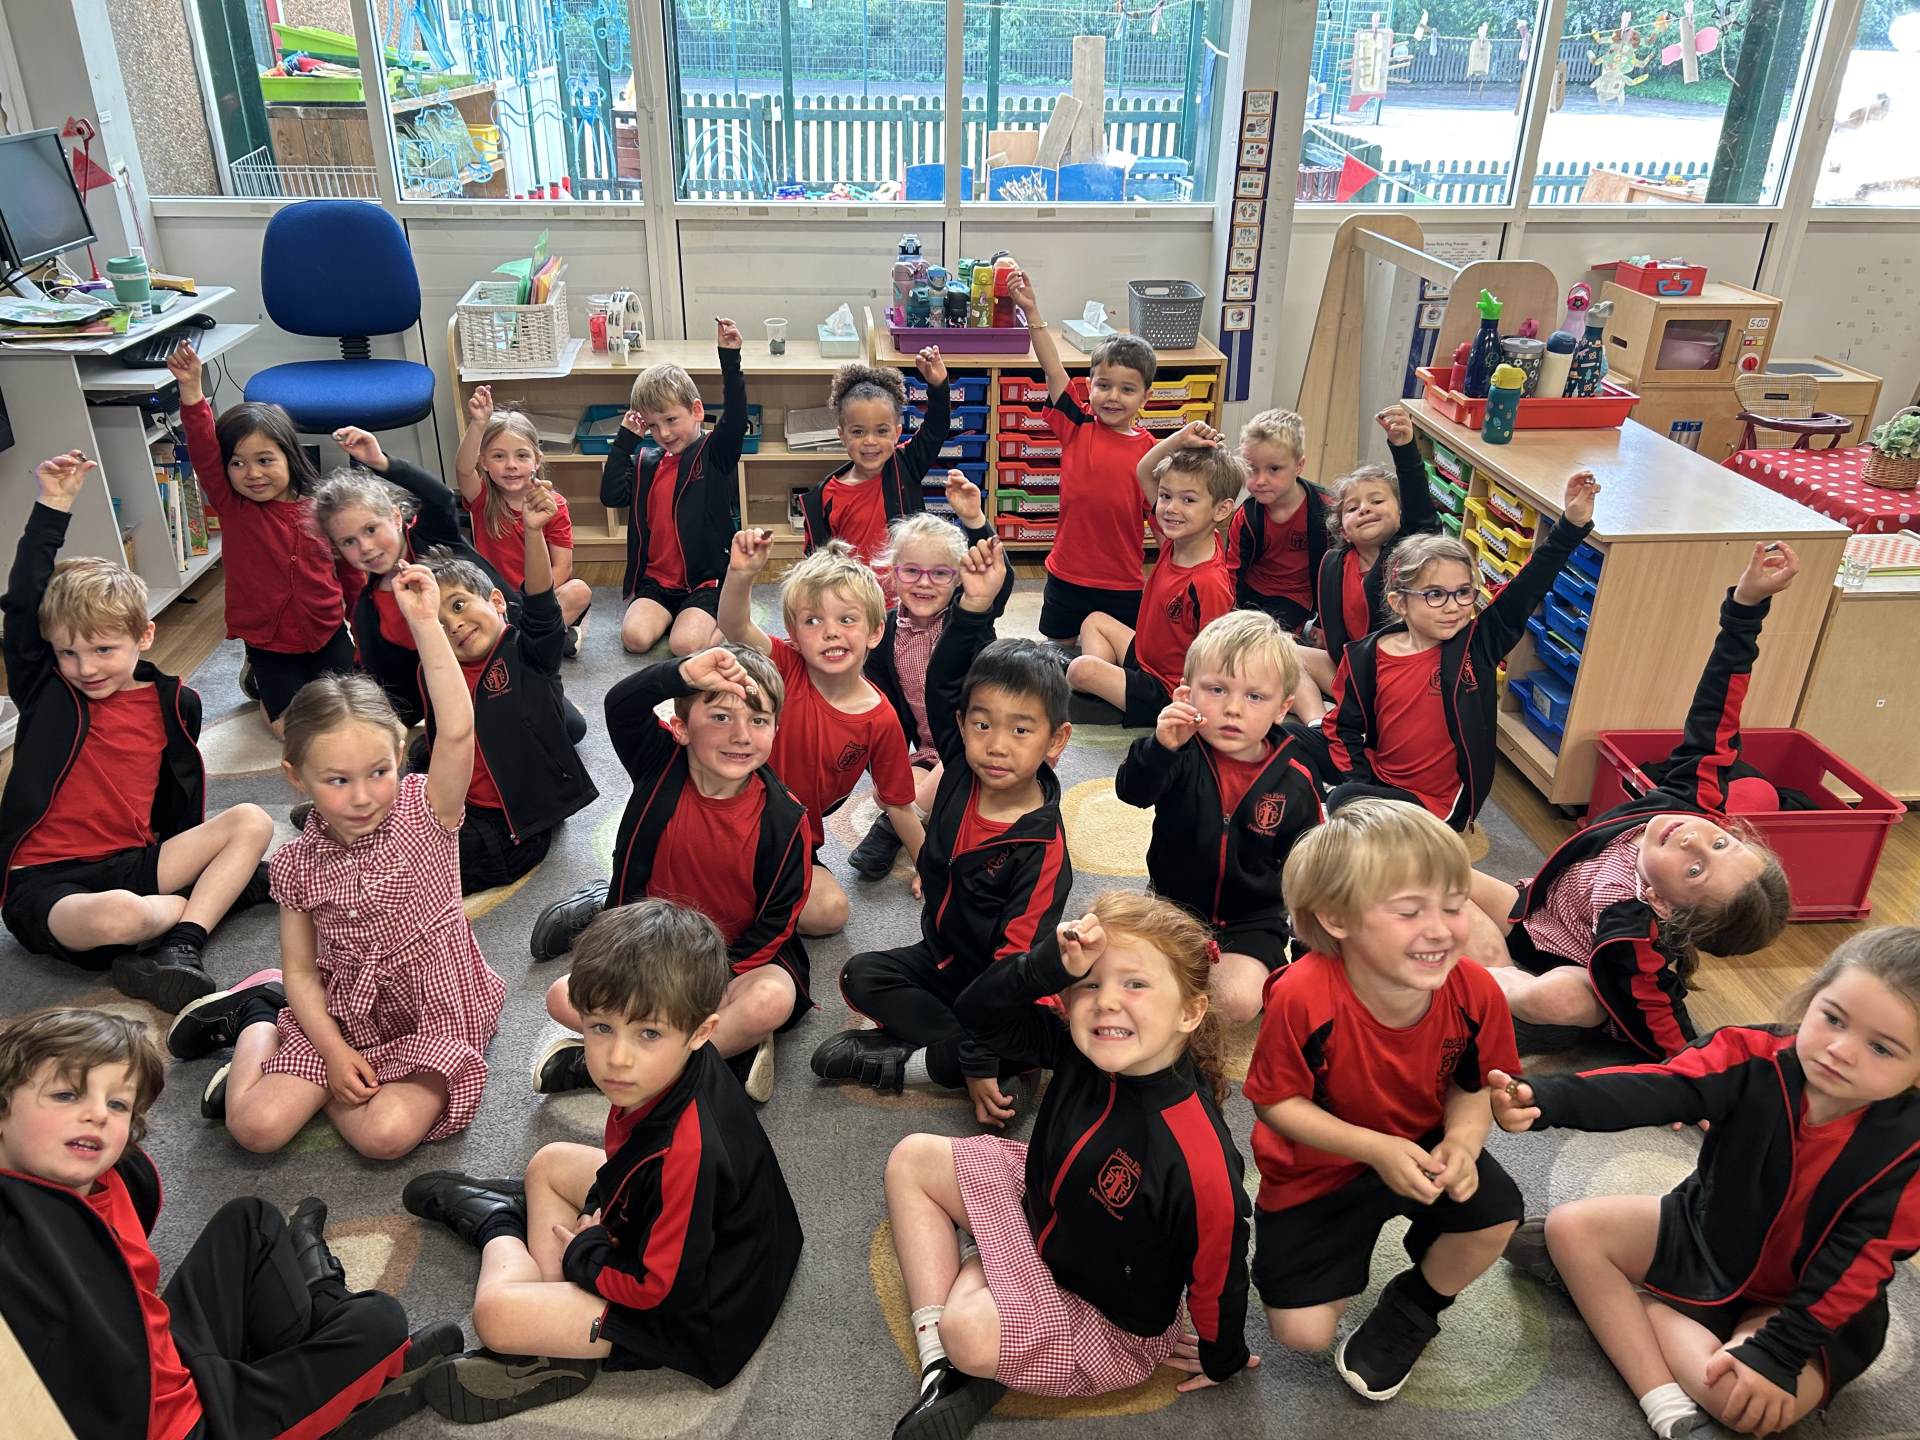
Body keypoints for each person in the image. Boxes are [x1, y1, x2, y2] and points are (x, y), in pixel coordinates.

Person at [1491, 925, 1920, 1440]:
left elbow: (1856, 1265)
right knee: (1570, 1227)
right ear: (1813, 998)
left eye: (1882, 1048)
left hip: (1805, 1301)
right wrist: (1549, 1098)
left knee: (1747, 1406)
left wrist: (1778, 1351)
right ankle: (1663, 1401)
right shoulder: (1751, 1054)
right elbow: (1657, 1088)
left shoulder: (1911, 1150)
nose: (1841, 1050)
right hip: (1703, 1237)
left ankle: (1626, 1298)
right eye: (1833, 1018)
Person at [401, 901, 804, 1422]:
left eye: (648, 1034)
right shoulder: (673, 1069)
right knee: (549, 1163)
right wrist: (599, 1216)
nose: (617, 1058)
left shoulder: (688, 1152)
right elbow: (631, 1163)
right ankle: (554, 1320)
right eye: (600, 1027)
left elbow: (657, 1289)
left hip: (701, 1317)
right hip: (734, 1243)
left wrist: (585, 1254)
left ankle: (498, 1227)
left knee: (495, 1316)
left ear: (702, 1031)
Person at [882, 893, 1254, 1440]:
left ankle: (968, 1325)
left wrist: (1224, 1357)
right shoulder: (1078, 1049)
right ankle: (944, 1368)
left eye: (1135, 984)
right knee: (910, 1157)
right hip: (1037, 1209)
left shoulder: (1198, 1156)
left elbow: (1220, 1269)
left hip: (1097, 1314)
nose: (1107, 1002)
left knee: (967, 1333)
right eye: (1089, 983)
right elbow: (977, 1013)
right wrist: (1044, 965)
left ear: (1190, 1012)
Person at [0, 1006, 462, 1440]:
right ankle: (332, 1335)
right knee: (379, 1323)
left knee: (250, 1221)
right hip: (184, 1427)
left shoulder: (110, 1175)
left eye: (118, 1104)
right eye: (65, 1095)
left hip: (165, 1357)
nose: (98, 1114)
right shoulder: (18, 1228)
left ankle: (314, 1342)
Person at [170, 568, 505, 1159]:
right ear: (297, 779)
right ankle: (258, 1014)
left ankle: (289, 1051)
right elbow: (301, 972)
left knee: (385, 1136)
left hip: (433, 1011)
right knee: (256, 1129)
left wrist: (425, 625)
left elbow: (457, 731)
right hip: (341, 1011)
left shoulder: (426, 809)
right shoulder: (297, 865)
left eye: (378, 772)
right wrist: (331, 1052)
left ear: (399, 755)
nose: (362, 797)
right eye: (337, 780)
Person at [1466, 542, 1796, 1059]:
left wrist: (1702, 1076)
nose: (1693, 841)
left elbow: (1668, 1026)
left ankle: (1497, 989)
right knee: (1431, 862)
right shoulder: (1690, 804)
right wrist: (1746, 608)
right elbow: (1716, 712)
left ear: (1664, 906)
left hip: (1571, 974)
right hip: (1529, 915)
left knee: (1564, 998)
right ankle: (1491, 973)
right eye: (1721, 844)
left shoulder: (1635, 931)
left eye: (1695, 871)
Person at [1246, 798, 1522, 1403]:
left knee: (1496, 1214)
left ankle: (1416, 1302)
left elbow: (1474, 1084)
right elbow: (1276, 1103)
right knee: (1303, 1334)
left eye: (1454, 905)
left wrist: (1463, 1142)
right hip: (1317, 1169)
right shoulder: (1301, 996)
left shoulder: (1476, 991)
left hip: (1422, 1146)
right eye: (1409, 910)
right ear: (1335, 917)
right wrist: (1375, 1149)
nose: (1440, 929)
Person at [1, 451, 273, 1012]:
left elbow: (174, 799)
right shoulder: (48, 692)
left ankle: (182, 944)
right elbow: (23, 602)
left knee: (253, 819)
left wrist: (176, 855)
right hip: (48, 884)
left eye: (104, 649)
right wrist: (54, 504)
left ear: (144, 636)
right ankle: (203, 901)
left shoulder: (176, 702)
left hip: (134, 862)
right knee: (120, 916)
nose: (86, 667)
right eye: (69, 653)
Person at [813, 537, 1072, 1127]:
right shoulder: (959, 764)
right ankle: (963, 1055)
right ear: (960, 725)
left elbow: (1012, 968)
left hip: (1003, 984)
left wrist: (976, 1060)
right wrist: (973, 609)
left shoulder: (1044, 850)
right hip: (944, 955)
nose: (996, 745)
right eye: (982, 725)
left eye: (1021, 731)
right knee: (860, 974)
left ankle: (927, 1063)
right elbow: (946, 678)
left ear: (1056, 741)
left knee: (1014, 1045)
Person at [527, 644, 811, 1104]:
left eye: (758, 720)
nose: (741, 735)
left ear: (776, 729)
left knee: (770, 1001)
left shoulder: (785, 819)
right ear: (680, 728)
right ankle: (710, 1061)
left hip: (733, 965)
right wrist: (682, 674)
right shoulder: (657, 763)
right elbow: (621, 704)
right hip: (649, 947)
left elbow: (778, 923)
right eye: (720, 717)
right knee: (562, 995)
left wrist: (717, 979)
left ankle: (611, 1066)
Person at [1322, 470, 1600, 829]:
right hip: (1380, 780)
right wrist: (1361, 782)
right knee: (1298, 748)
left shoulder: (1476, 645)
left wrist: (1570, 525)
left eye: (1463, 593)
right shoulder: (1364, 656)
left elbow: (1526, 588)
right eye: (1435, 594)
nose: (1453, 606)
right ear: (1399, 603)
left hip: (1437, 804)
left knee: (1343, 802)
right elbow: (1343, 727)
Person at [1114, 609, 1325, 1023]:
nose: (1232, 709)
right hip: (1171, 906)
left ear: (1282, 708)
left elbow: (1311, 874)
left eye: (1254, 697)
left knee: (1236, 1001)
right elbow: (1132, 792)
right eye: (1216, 689)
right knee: (1114, 968)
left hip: (1252, 922)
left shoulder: (1296, 778)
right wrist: (1160, 748)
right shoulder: (1177, 751)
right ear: (1186, 694)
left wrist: (1308, 962)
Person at [718, 531, 925, 934]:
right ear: (794, 634)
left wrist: (929, 868)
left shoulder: (881, 719)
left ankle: (730, 899)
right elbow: (734, 625)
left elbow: (899, 805)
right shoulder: (786, 664)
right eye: (813, 621)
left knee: (831, 913)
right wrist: (740, 574)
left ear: (875, 632)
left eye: (846, 619)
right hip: (728, 819)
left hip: (790, 840)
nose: (830, 632)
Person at [165, 343, 358, 733]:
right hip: (270, 642)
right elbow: (204, 451)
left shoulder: (325, 510)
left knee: (346, 713)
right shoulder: (234, 506)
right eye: (238, 463)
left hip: (326, 631)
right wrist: (191, 389)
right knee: (291, 729)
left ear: (290, 456)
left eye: (265, 460)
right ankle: (258, 676)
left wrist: (361, 622)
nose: (252, 473)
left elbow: (351, 574)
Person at [416, 482, 596, 895]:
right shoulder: (436, 670)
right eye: (439, 624)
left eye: (459, 605)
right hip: (454, 800)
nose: (454, 625)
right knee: (388, 811)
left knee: (420, 867)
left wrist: (533, 532)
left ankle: (281, 880)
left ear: (497, 602)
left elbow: (540, 606)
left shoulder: (527, 653)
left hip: (514, 824)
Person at [850, 481, 1004, 878]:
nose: (924, 582)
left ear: (959, 579)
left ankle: (896, 831)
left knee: (929, 794)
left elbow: (997, 583)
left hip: (976, 739)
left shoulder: (969, 619)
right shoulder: (884, 633)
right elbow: (885, 711)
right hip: (929, 750)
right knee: (895, 791)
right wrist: (889, 771)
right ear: (893, 573)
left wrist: (975, 520)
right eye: (912, 571)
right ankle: (916, 816)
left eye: (939, 573)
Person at [314, 429, 515, 727]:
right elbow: (388, 677)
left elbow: (440, 496)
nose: (365, 547)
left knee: (568, 725)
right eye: (349, 541)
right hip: (447, 694)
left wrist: (382, 462)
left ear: (396, 517)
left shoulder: (432, 535)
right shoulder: (368, 609)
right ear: (337, 549)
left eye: (371, 529)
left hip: (505, 657)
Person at [1003, 267, 1160, 643]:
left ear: (1146, 397)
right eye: (1103, 385)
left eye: (1127, 389)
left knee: (1113, 659)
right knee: (1056, 657)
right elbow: (1052, 369)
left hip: (1122, 583)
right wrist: (1032, 311)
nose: (1113, 397)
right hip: (1067, 575)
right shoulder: (1078, 423)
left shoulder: (1152, 453)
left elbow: (1162, 520)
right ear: (1089, 386)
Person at [1066, 424, 1240, 726]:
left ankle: (1109, 696)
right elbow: (1144, 470)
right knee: (1094, 621)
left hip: (1166, 689)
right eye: (1165, 496)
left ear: (1221, 510)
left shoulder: (1209, 582)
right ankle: (1108, 695)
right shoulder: (1177, 538)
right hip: (1145, 657)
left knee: (1080, 670)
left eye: (1188, 500)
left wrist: (1194, 711)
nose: (1171, 508)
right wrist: (1180, 439)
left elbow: (1216, 658)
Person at [601, 318, 746, 655]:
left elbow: (736, 418)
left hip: (705, 581)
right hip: (658, 581)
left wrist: (730, 358)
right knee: (635, 639)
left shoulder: (714, 454)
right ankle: (682, 616)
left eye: (671, 420)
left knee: (685, 645)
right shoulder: (647, 463)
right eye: (653, 426)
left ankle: (732, 615)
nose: (663, 434)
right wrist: (625, 442)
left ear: (696, 411)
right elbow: (611, 496)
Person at [1293, 405, 1438, 714]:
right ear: (1343, 529)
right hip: (1350, 671)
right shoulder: (1334, 563)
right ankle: (1319, 720)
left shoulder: (1408, 556)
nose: (1364, 509)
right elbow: (1333, 626)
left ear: (1400, 515)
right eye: (1352, 508)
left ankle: (1345, 715)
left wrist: (1404, 448)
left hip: (1396, 677)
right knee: (1280, 652)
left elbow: (1423, 516)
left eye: (1377, 500)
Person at [453, 386, 594, 655]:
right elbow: (463, 469)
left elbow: (562, 567)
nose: (511, 465)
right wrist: (478, 423)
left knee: (579, 591)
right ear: (484, 462)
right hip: (493, 598)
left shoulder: (553, 505)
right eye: (498, 456)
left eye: (521, 455)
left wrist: (532, 603)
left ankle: (529, 639)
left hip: (536, 598)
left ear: (537, 460)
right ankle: (552, 638)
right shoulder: (482, 497)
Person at [800, 350, 955, 570]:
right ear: (842, 435)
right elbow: (817, 564)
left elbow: (936, 429)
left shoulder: (906, 464)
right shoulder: (824, 497)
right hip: (854, 590)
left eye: (881, 431)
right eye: (858, 432)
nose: (870, 441)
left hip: (907, 587)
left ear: (897, 433)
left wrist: (939, 386)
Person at [1223, 407, 1326, 634]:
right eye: (1251, 469)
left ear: (1299, 465)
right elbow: (1232, 570)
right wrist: (1227, 610)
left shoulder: (1325, 510)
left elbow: (1337, 570)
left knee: (1268, 642)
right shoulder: (1246, 516)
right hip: (1250, 591)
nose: (1260, 480)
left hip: (1294, 597)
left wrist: (1324, 621)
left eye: (1274, 469)